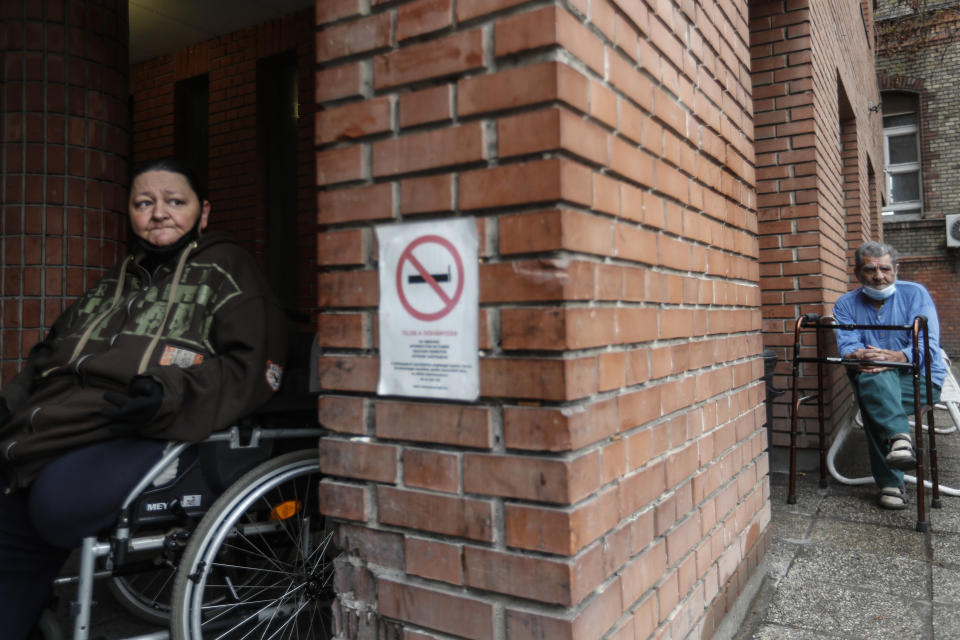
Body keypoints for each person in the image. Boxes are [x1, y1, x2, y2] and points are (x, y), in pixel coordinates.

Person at [0, 158, 288, 638]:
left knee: (54, 503)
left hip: (149, 422)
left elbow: (255, 366)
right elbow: (49, 353)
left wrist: (166, 393)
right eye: (144, 203)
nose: (159, 213)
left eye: (175, 202)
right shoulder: (117, 281)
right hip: (57, 421)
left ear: (203, 212)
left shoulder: (229, 271)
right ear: (131, 214)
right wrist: (10, 401)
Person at [833, 241, 947, 510]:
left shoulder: (915, 294)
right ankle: (899, 441)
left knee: (873, 393)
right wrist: (861, 356)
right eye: (870, 269)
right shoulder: (846, 304)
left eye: (885, 268)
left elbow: (928, 346)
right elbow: (848, 347)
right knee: (873, 378)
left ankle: (890, 483)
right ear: (857, 272)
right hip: (872, 376)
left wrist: (894, 358)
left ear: (896, 269)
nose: (879, 276)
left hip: (920, 380)